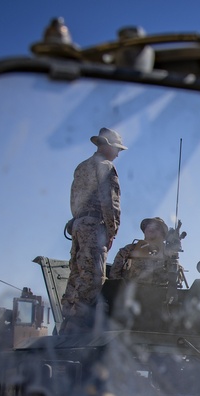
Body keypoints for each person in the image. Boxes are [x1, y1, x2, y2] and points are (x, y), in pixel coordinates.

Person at [60, 127, 126, 333]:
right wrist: (111, 230)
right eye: (116, 149)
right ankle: (78, 322)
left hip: (79, 223)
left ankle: (68, 317)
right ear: (107, 146)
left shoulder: (82, 167)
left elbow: (74, 198)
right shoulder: (106, 167)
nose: (118, 154)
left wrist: (77, 220)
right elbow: (110, 202)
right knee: (93, 276)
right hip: (95, 225)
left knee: (77, 272)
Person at [110, 216, 185, 287]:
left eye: (157, 227)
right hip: (129, 293)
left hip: (158, 296)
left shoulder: (168, 254)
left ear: (163, 234)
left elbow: (176, 280)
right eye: (148, 225)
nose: (151, 227)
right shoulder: (130, 249)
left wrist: (173, 255)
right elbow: (114, 274)